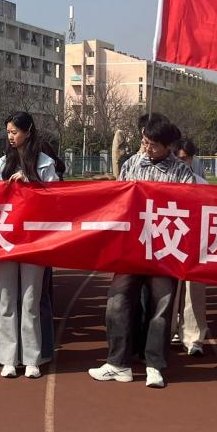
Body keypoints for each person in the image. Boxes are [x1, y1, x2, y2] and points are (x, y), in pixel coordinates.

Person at [89, 115, 194, 388]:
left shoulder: (181, 172)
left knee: (161, 307)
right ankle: (118, 363)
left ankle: (154, 365)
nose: (147, 147)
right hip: (132, 248)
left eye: (153, 144)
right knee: (117, 301)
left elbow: (190, 206)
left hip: (164, 249)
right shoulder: (132, 164)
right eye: (144, 141)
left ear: (168, 146)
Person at [0, 111, 59, 379]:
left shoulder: (45, 164)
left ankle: (32, 358)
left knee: (31, 301)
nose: (10, 137)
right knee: (7, 300)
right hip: (6, 239)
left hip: (34, 240)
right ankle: (8, 359)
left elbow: (54, 198)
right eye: (8, 132)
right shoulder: (1, 164)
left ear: (28, 131)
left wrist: (30, 183)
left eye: (15, 132)